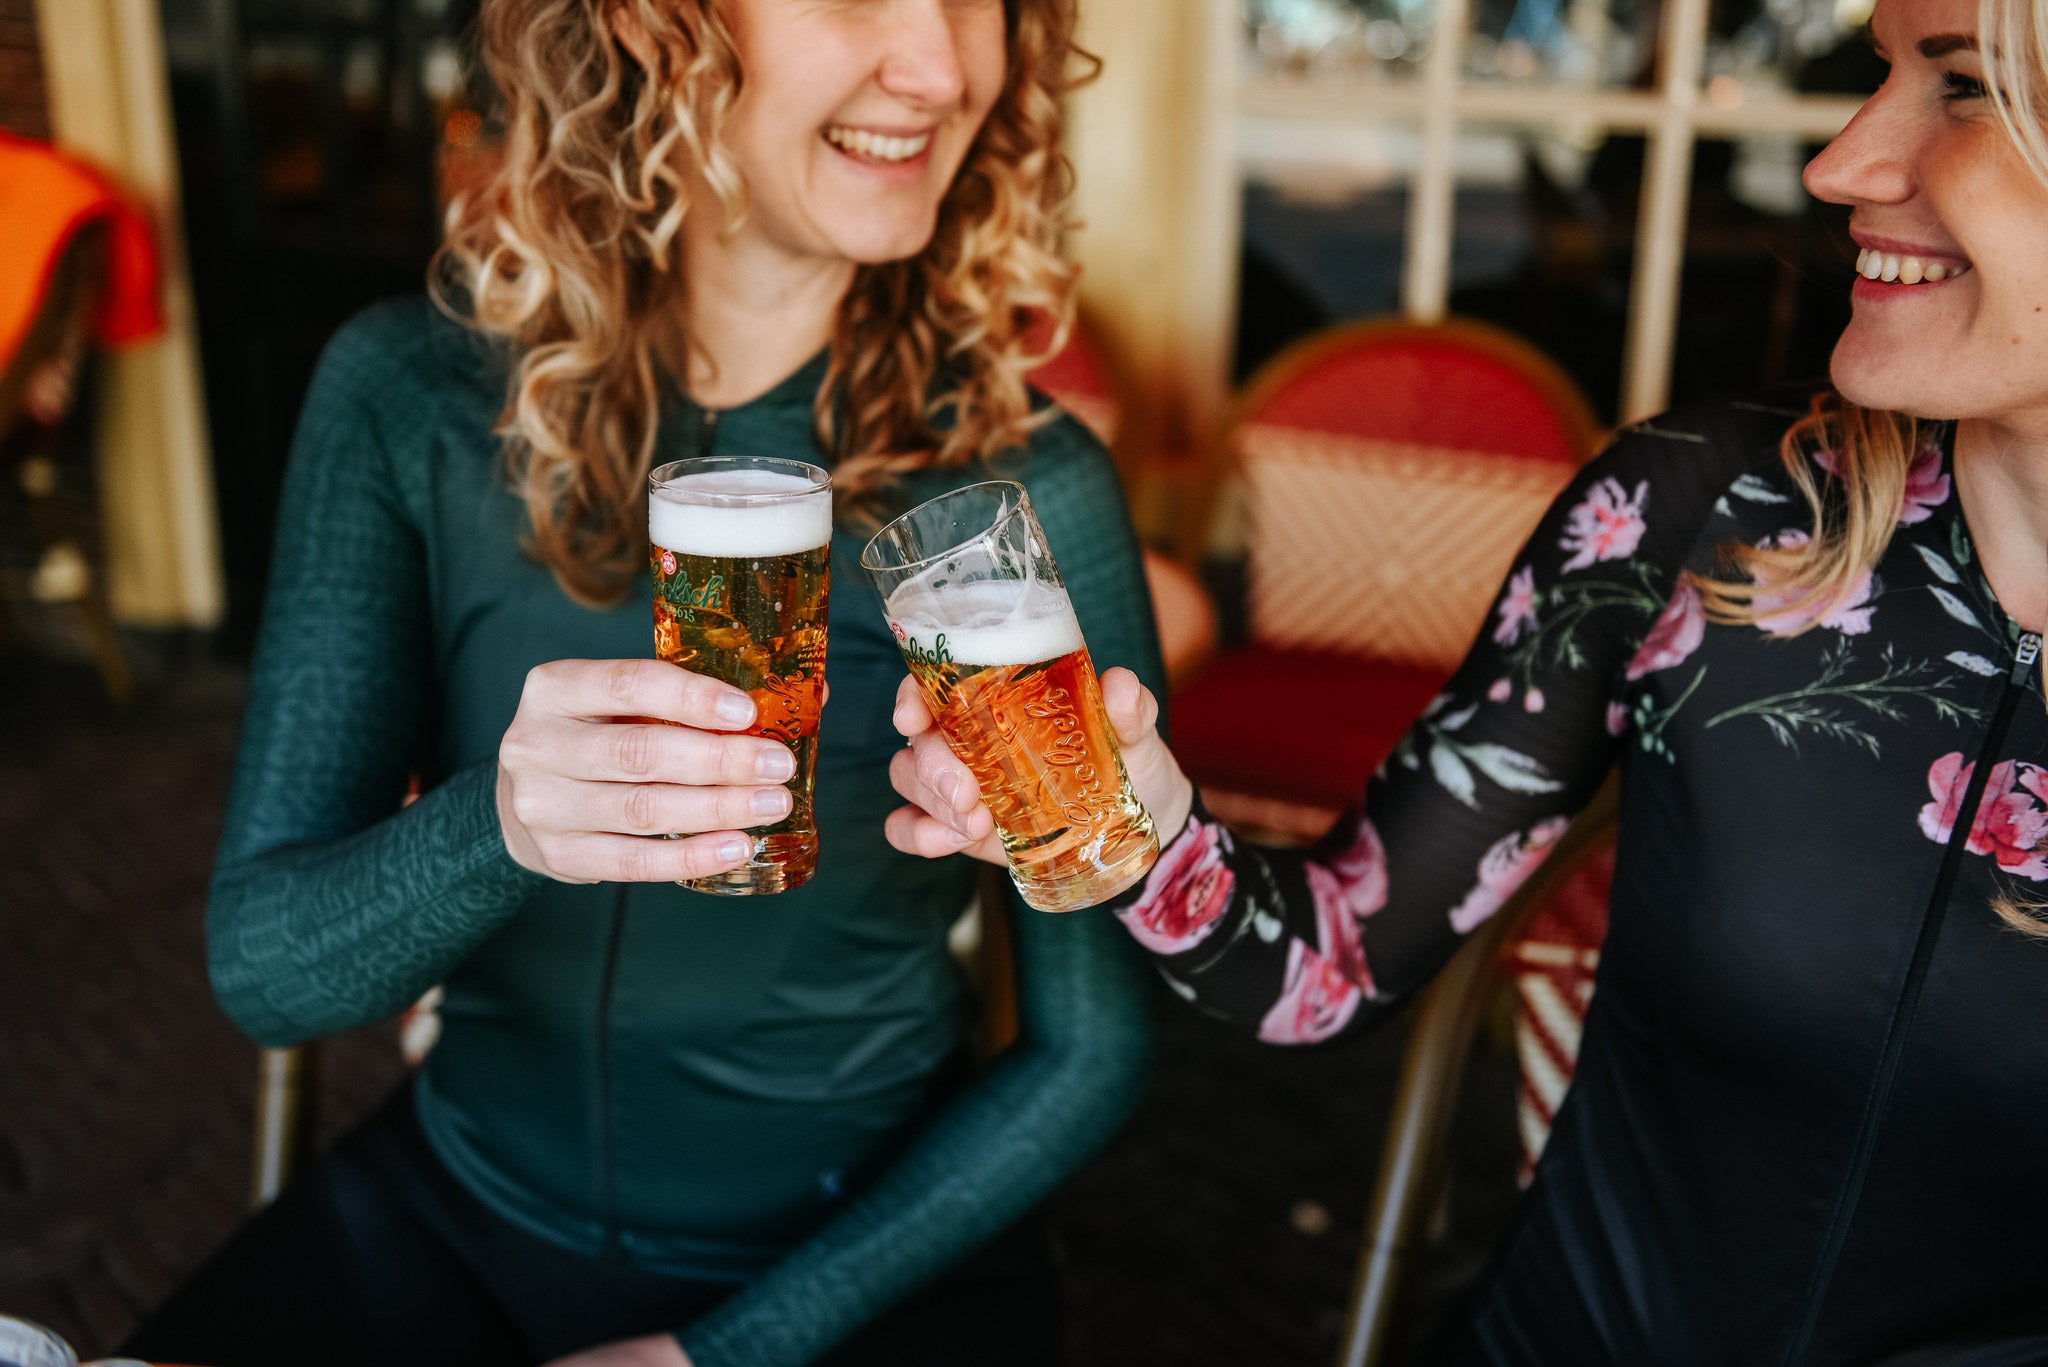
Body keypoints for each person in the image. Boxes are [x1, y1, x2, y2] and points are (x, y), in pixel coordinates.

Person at [885, 0, 2048, 1359]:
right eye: (1878, 73)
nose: (1838, 162)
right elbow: (1324, 965)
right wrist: (1138, 818)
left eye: (1962, 87)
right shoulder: (1699, 510)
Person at [124, 2, 1161, 1366]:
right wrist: (494, 825)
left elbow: (1092, 1047)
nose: (943, 63)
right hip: (452, 1213)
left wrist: (721, 1355)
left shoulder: (1022, 494)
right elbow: (266, 973)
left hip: (854, 1265)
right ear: (650, 22)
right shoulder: (404, 394)